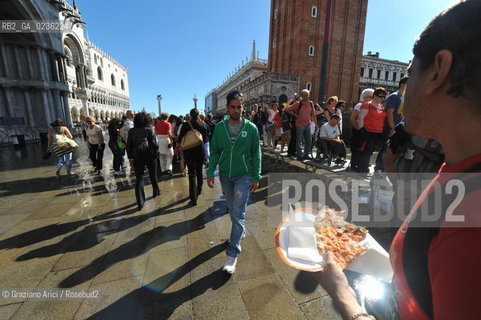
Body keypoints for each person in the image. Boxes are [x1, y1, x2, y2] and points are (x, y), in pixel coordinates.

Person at [315, 1, 481, 319]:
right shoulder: (456, 169)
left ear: (438, 71)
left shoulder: (467, 237)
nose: (401, 94)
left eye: (408, 73)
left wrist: (343, 297)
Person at [207, 90, 261, 274]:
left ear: (243, 107)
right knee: (232, 209)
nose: (237, 110)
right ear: (227, 107)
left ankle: (232, 254)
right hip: (225, 175)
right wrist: (210, 172)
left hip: (244, 175)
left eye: (239, 106)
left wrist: (256, 176)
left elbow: (256, 153)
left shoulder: (251, 128)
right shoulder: (220, 128)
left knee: (238, 213)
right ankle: (240, 231)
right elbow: (214, 151)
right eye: (233, 107)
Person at [126, 112, 160, 210]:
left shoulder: (131, 131)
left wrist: (130, 158)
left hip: (137, 156)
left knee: (139, 178)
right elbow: (154, 144)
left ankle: (140, 201)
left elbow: (129, 146)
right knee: (153, 175)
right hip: (150, 156)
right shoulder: (149, 130)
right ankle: (156, 191)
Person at [178, 108, 207, 206]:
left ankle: (193, 198)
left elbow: (181, 137)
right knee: (199, 171)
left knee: (192, 173)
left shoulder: (186, 125)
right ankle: (199, 190)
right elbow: (206, 136)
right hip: (200, 150)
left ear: (190, 115)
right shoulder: (202, 124)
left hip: (189, 150)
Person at [357, 87, 388, 173]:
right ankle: (362, 168)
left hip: (379, 132)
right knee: (368, 149)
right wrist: (362, 130)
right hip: (368, 130)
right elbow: (361, 118)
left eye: (384, 97)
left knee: (378, 148)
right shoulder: (367, 105)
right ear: (374, 96)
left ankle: (377, 167)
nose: (382, 98)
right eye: (380, 96)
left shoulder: (381, 106)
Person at [349, 88, 374, 172]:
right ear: (364, 97)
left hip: (368, 131)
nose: (371, 99)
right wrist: (359, 129)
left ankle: (363, 166)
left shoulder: (373, 107)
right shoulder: (359, 106)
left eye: (372, 97)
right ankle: (354, 165)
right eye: (369, 97)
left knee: (366, 149)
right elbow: (352, 119)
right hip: (359, 130)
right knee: (357, 147)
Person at [286, 89, 315, 160]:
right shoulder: (298, 104)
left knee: (308, 140)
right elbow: (287, 109)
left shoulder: (311, 103)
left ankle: (306, 155)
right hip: (299, 125)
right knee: (299, 141)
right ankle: (299, 155)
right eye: (305, 95)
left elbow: (313, 113)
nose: (306, 97)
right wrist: (295, 115)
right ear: (302, 96)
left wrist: (315, 122)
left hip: (308, 124)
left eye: (307, 95)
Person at [121, 110, 135, 175]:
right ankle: (132, 168)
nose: (133, 115)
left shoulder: (132, 121)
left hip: (132, 141)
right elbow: (130, 131)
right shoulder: (128, 122)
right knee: (131, 155)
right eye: (131, 114)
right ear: (127, 115)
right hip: (129, 141)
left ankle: (133, 167)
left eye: (132, 114)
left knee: (132, 155)